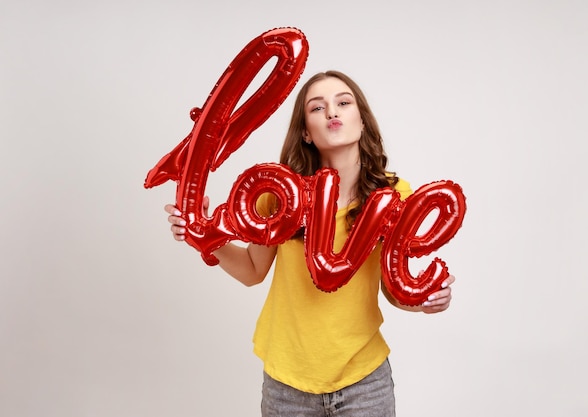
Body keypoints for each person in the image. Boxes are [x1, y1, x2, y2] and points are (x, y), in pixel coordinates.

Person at [164, 70, 455, 416]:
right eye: (317, 108)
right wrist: (203, 238)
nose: (332, 112)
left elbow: (394, 289)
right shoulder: (279, 193)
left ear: (362, 122)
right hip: (287, 383)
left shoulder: (394, 195)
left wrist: (425, 301)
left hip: (364, 381)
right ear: (305, 132)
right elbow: (252, 270)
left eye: (343, 103)